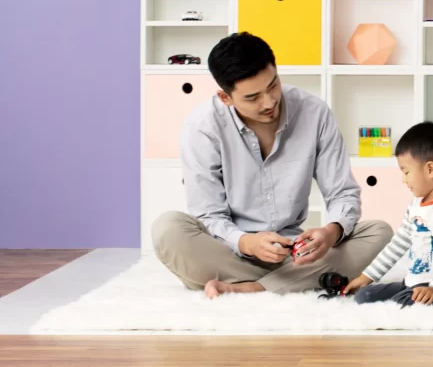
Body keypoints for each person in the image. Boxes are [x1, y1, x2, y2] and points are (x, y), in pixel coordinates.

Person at [152, 32, 393, 298]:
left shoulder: (314, 112)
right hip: (229, 250)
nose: (269, 102)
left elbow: (342, 193)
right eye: (252, 97)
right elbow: (208, 215)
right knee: (168, 229)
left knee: (379, 233)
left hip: (294, 252)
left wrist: (330, 232)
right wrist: (246, 242)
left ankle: (249, 286)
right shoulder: (202, 128)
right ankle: (293, 282)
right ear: (225, 97)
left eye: (273, 85)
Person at [342, 121, 433, 307]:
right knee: (364, 295)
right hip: (412, 284)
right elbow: (397, 244)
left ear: (430, 169)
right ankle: (407, 294)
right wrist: (367, 276)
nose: (403, 180)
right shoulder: (415, 205)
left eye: (406, 172)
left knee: (401, 302)